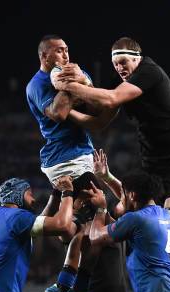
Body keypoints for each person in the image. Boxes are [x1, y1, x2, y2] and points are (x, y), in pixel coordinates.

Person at [55, 37, 170, 220]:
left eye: (123, 62)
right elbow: (99, 122)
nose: (119, 68)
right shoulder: (120, 81)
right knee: (122, 213)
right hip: (152, 163)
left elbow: (111, 98)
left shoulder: (150, 71)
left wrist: (70, 85)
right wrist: (65, 112)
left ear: (136, 58)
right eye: (115, 64)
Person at [60, 153, 129, 292]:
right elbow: (87, 237)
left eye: (94, 190)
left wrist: (107, 177)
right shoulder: (73, 226)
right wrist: (66, 194)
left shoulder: (113, 221)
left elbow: (131, 200)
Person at [26, 34, 113, 184]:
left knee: (95, 204)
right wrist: (71, 84)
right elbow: (58, 114)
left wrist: (85, 82)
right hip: (62, 156)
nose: (66, 55)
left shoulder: (79, 74)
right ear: (45, 56)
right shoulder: (36, 84)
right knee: (95, 202)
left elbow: (97, 110)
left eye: (66, 50)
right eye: (59, 51)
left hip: (84, 150)